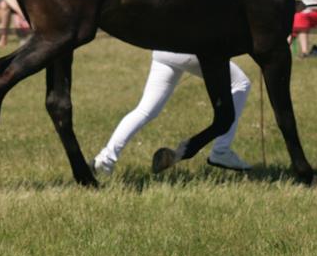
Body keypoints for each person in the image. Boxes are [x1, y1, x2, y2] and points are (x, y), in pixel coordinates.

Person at [93, 51, 252, 175]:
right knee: (241, 83)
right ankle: (221, 150)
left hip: (163, 48)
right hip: (189, 48)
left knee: (144, 110)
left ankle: (105, 160)